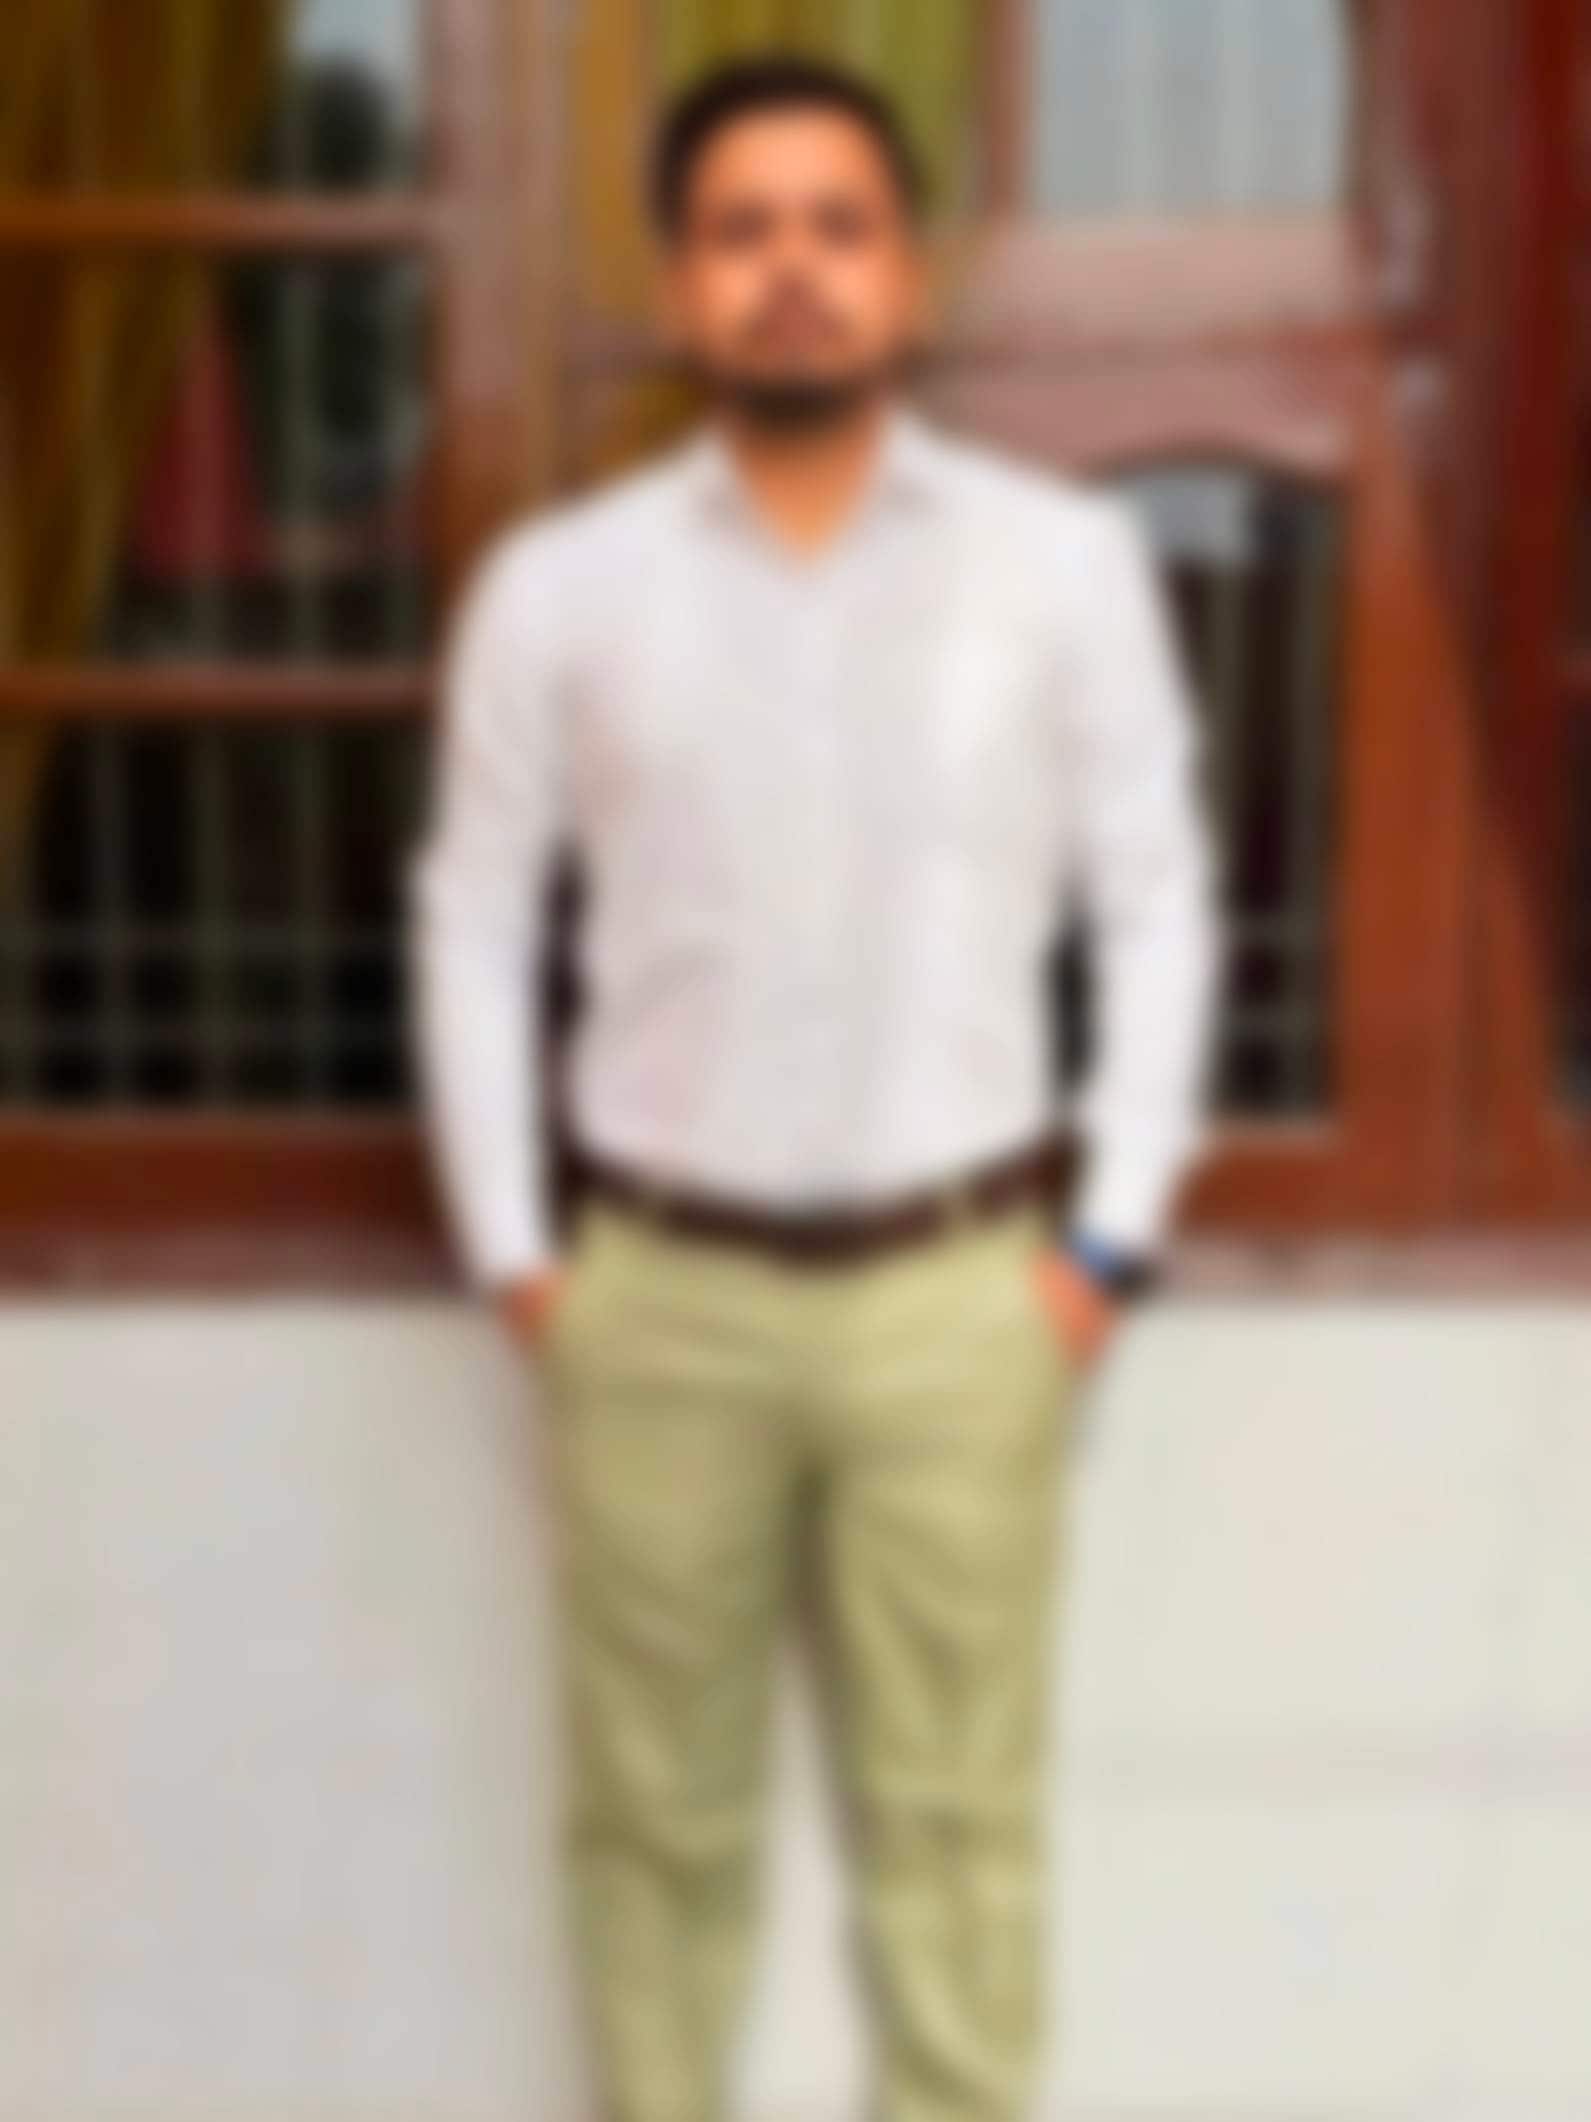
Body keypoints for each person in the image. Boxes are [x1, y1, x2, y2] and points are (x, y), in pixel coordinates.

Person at [408, 51, 1219, 2122]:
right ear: (677, 284)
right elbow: (475, 918)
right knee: (650, 1823)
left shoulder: (1059, 568)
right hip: (655, 1301)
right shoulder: (559, 591)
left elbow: (1154, 903)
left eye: (839, 227)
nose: (793, 271)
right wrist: (520, 1261)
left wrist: (1105, 1243)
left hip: (963, 1300)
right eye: (742, 231)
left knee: (956, 1827)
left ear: (909, 276)